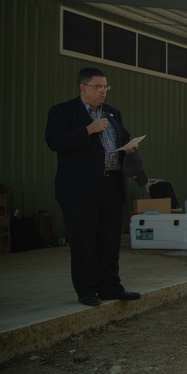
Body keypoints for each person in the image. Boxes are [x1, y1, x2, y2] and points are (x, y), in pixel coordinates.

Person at [45, 68, 142, 306]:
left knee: (109, 240)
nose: (103, 92)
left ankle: (111, 287)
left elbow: (122, 137)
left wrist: (129, 147)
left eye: (105, 87)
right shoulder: (63, 112)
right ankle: (87, 291)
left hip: (111, 184)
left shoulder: (112, 113)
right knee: (84, 242)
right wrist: (87, 130)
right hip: (79, 188)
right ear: (83, 87)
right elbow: (54, 141)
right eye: (98, 87)